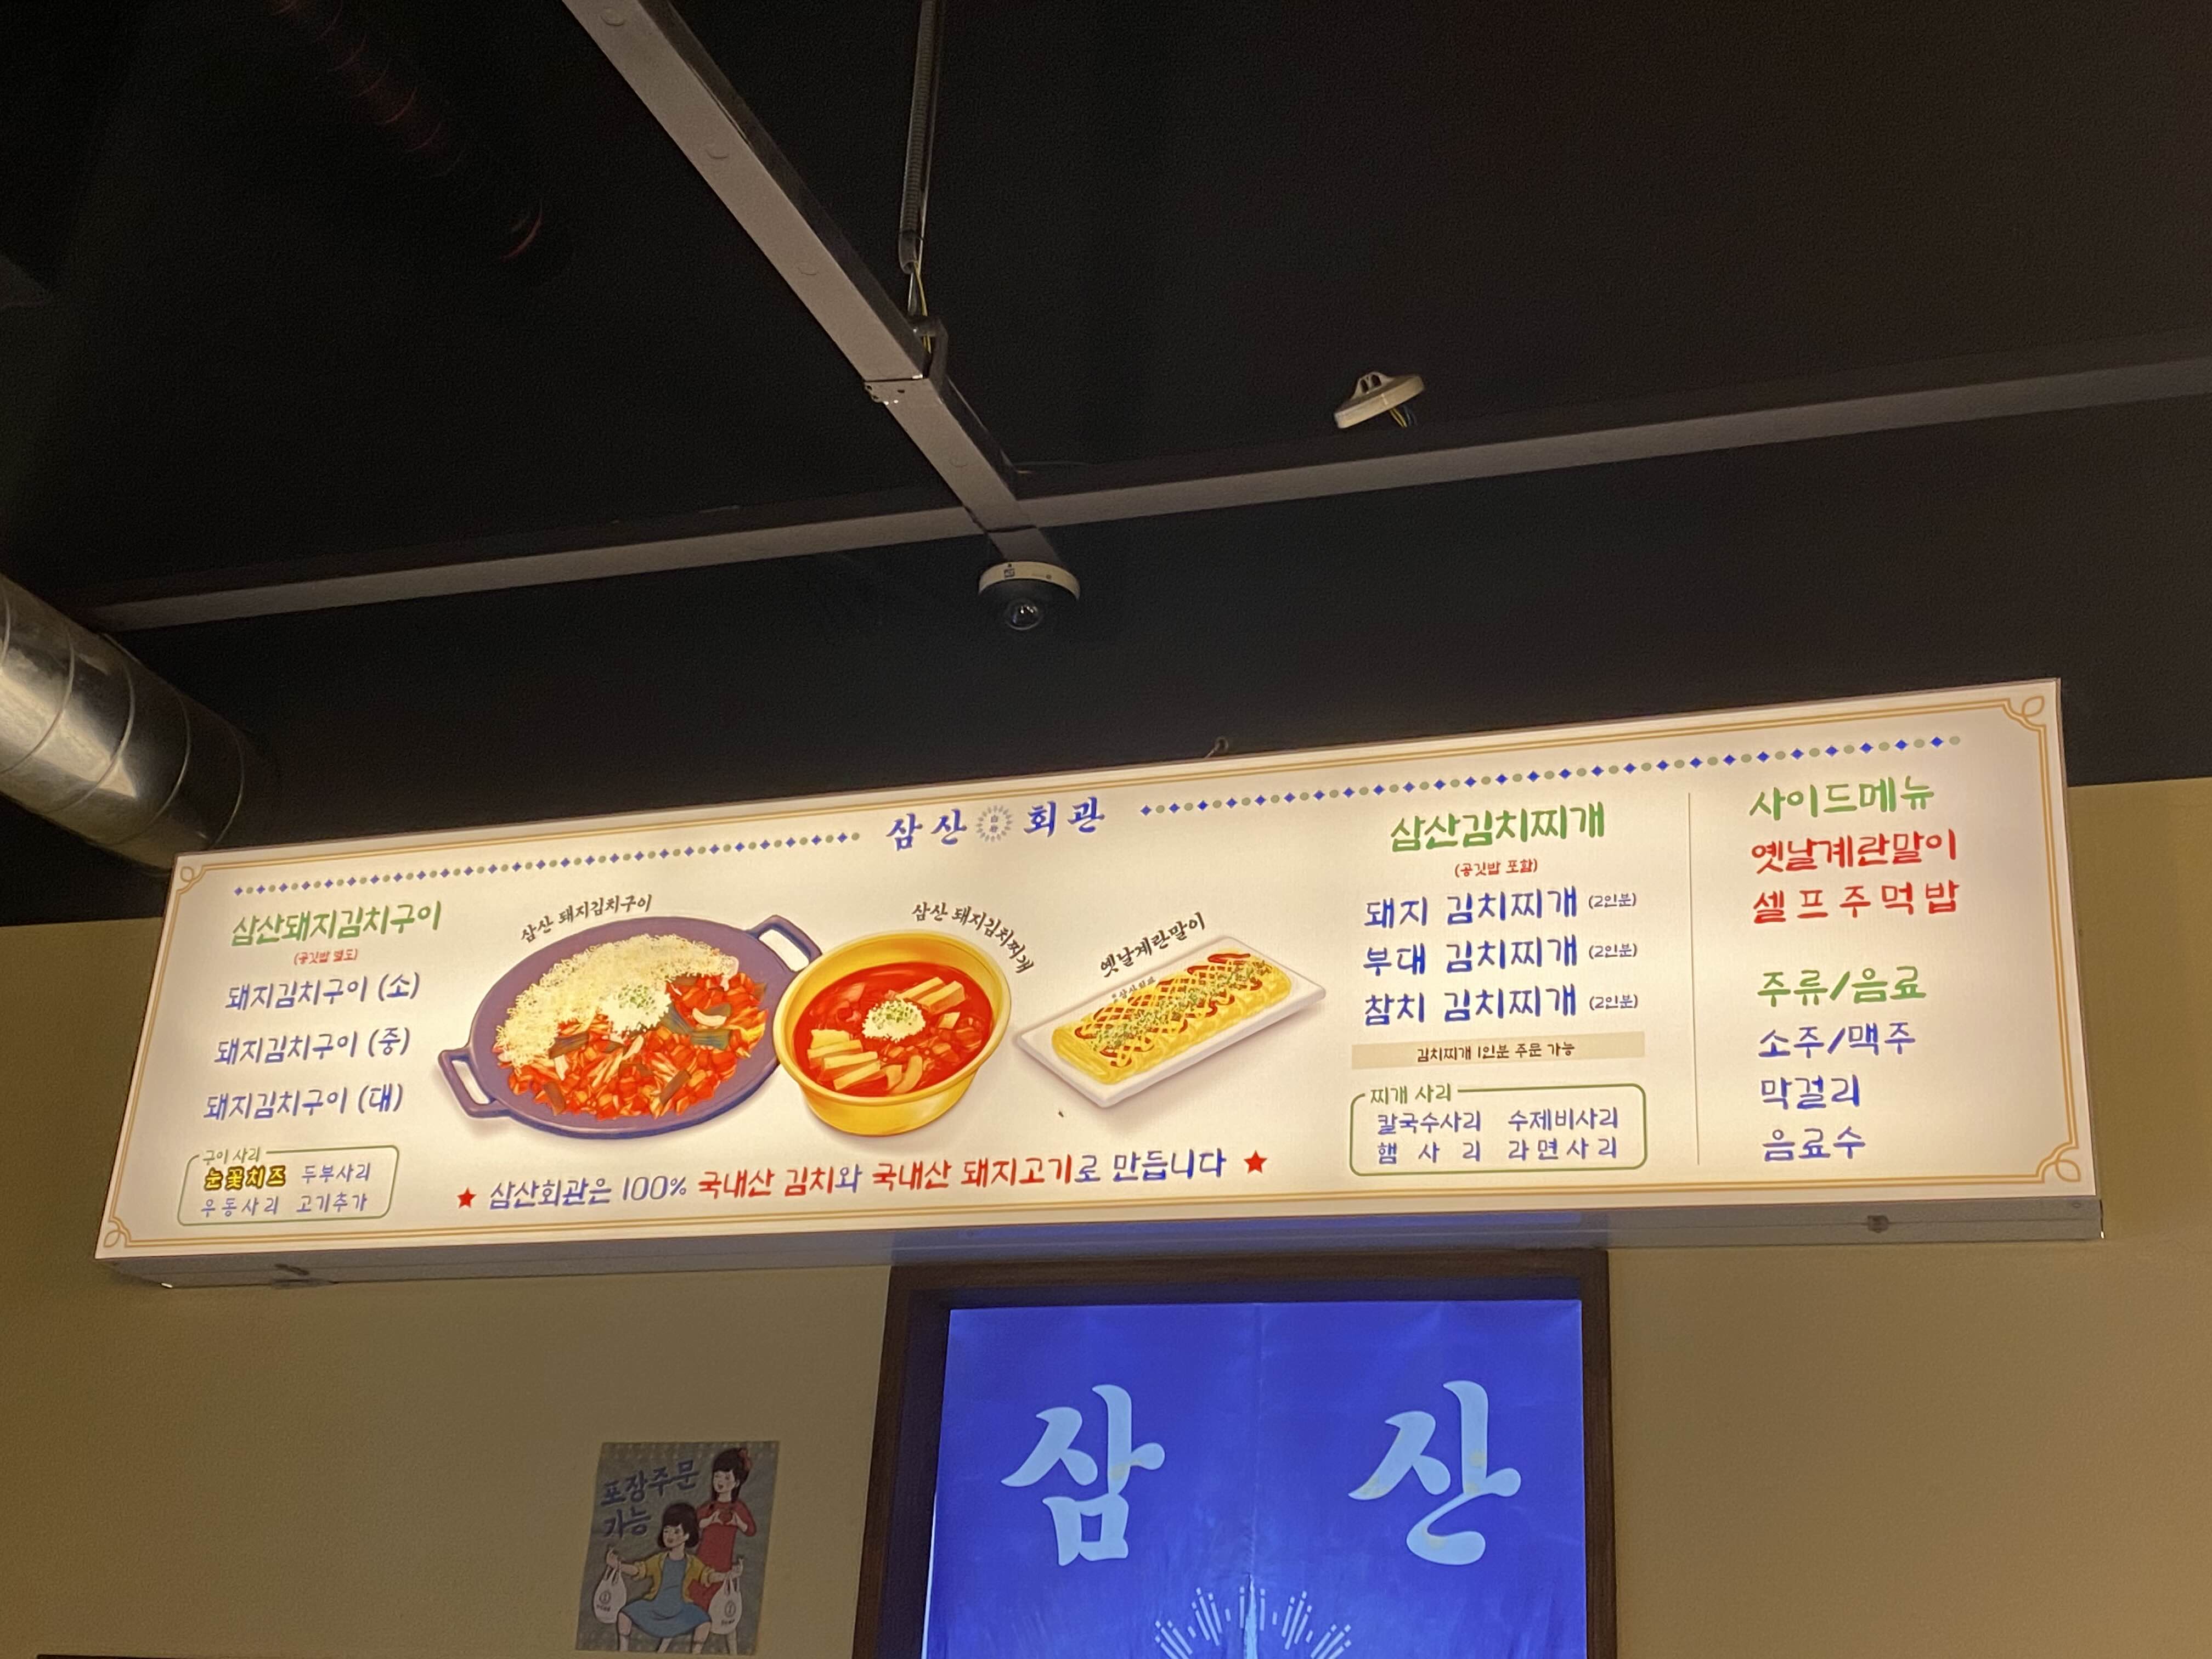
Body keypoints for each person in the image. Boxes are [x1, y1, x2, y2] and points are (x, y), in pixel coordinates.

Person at [605, 1503, 730, 1652]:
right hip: (655, 1607)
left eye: (676, 1532)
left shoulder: (692, 1563)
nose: (670, 1536)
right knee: (624, 1616)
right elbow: (639, 1570)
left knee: (705, 1623)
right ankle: (623, 1653)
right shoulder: (659, 1560)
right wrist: (618, 1566)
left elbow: (708, 1576)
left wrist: (726, 1576)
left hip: (681, 1610)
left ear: (687, 1535)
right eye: (667, 1531)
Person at [687, 1448, 758, 1653]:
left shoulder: (738, 1508)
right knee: (700, 1609)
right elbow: (693, 1525)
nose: (720, 1481)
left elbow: (751, 1530)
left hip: (723, 1564)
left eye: (727, 1477)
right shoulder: (709, 1507)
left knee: (725, 1609)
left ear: (736, 1483)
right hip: (703, 1562)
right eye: (717, 1476)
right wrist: (710, 1521)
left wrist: (738, 1523)